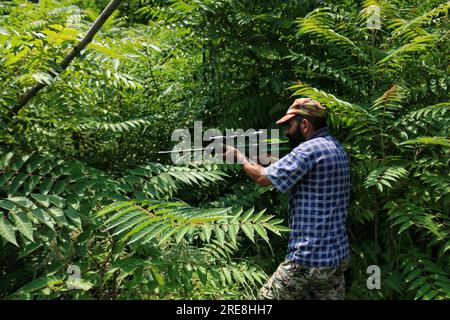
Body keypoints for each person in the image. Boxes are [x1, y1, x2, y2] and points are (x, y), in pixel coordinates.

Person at [224, 98, 351, 300]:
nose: (286, 132)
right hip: (335, 257)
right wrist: (267, 161)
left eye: (289, 125)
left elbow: (263, 178)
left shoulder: (308, 150)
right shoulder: (335, 148)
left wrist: (239, 157)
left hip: (308, 259)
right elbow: (298, 172)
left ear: (304, 124)